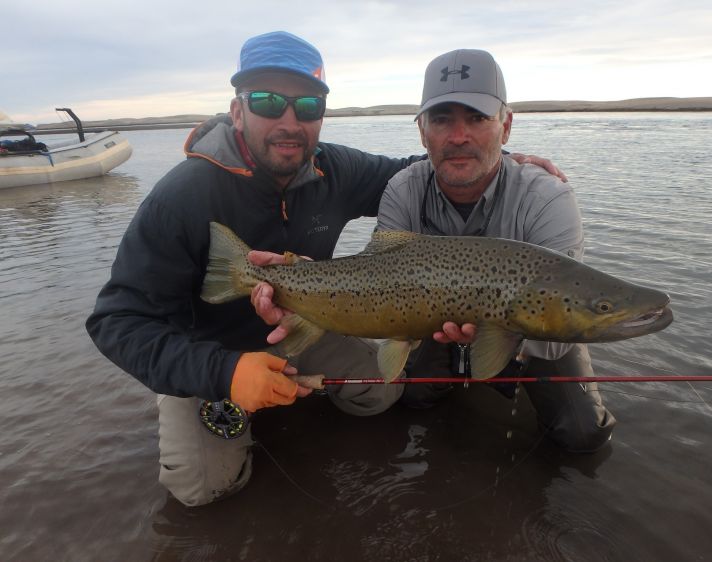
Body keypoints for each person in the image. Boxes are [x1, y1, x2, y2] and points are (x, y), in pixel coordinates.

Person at [86, 31, 565, 507]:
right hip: (209, 353)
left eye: (308, 106)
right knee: (202, 491)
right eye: (269, 102)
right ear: (238, 111)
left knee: (380, 395)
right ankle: (211, 396)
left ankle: (289, 392)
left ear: (321, 116)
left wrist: (500, 159)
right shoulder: (181, 196)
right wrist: (224, 372)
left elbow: (428, 167)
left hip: (306, 321)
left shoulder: (334, 169)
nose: (289, 122)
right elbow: (115, 322)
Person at [376, 49, 616, 452]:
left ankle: (478, 372)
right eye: (442, 120)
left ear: (506, 127)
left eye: (476, 118)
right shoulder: (403, 190)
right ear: (422, 132)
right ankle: (459, 373)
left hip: (532, 332)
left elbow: (561, 334)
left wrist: (494, 334)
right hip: (432, 323)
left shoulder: (546, 198)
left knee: (582, 433)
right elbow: (375, 287)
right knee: (412, 399)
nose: (458, 136)